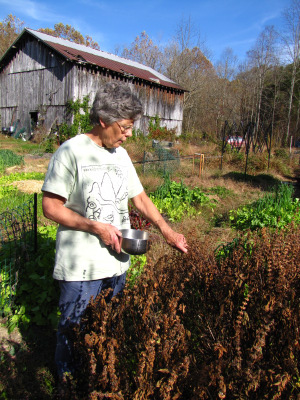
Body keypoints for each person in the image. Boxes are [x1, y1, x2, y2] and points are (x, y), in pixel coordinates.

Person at [42, 82, 188, 378]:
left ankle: (97, 379)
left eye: (131, 127)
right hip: (81, 267)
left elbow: (140, 198)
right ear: (102, 120)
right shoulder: (71, 152)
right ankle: (67, 384)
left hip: (118, 262)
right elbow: (50, 207)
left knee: (108, 326)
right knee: (73, 330)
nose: (129, 134)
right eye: (124, 127)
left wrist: (167, 231)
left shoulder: (121, 155)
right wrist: (93, 226)